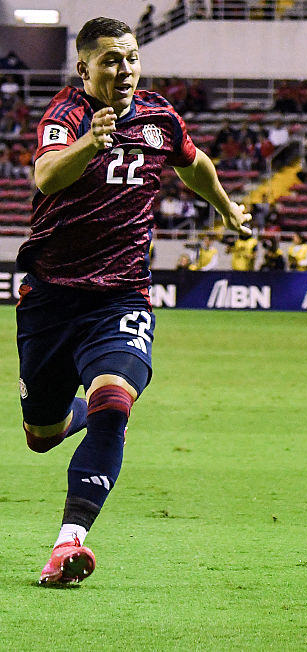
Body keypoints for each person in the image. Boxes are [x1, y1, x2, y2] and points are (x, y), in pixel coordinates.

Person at [17, 17, 250, 585]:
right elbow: (45, 177)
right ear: (84, 68)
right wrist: (88, 145)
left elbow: (195, 164)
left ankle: (69, 542)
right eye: (110, 61)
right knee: (41, 436)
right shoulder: (68, 115)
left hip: (122, 294)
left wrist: (225, 208)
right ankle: (70, 415)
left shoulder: (158, 116)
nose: (123, 70)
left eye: (130, 58)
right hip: (51, 298)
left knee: (116, 403)